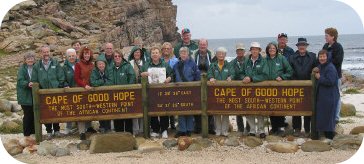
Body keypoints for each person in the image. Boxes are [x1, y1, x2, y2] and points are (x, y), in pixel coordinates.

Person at [32, 45, 65, 140]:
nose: (46, 54)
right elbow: (34, 79)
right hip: (43, 93)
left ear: (50, 52)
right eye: (44, 52)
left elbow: (61, 75)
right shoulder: (37, 66)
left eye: (47, 52)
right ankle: (49, 131)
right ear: (41, 53)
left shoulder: (55, 63)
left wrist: (59, 86)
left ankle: (57, 130)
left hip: (55, 91)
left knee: (56, 110)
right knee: (46, 112)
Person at [141, 47, 173, 138]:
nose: (155, 54)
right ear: (150, 55)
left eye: (156, 52)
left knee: (163, 110)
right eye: (153, 53)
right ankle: (155, 130)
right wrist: (143, 75)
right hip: (150, 92)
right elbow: (140, 76)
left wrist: (169, 78)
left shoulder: (165, 64)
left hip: (163, 91)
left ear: (159, 54)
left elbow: (172, 74)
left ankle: (164, 130)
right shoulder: (146, 65)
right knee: (152, 110)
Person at [289, 38, 317, 137]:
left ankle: (307, 130)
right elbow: (290, 71)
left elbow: (316, 68)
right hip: (295, 86)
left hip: (309, 87)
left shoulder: (313, 56)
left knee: (307, 108)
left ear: (306, 46)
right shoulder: (292, 57)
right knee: (296, 108)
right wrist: (296, 82)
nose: (302, 47)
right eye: (300, 45)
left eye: (303, 45)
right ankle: (296, 129)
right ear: (297, 46)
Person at [265, 42, 293, 136]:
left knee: (279, 106)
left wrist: (282, 77)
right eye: (270, 48)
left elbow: (289, 71)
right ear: (267, 50)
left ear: (276, 49)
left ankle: (281, 126)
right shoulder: (265, 60)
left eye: (273, 48)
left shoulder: (281, 58)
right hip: (269, 88)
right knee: (271, 107)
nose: (272, 50)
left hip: (280, 88)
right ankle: (274, 127)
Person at [242, 42, 269, 138]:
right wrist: (244, 78)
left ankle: (261, 130)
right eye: (253, 49)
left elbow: (265, 75)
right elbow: (242, 72)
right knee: (249, 109)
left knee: (260, 109)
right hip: (248, 90)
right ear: (250, 50)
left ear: (259, 50)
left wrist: (252, 79)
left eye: (256, 49)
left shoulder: (263, 61)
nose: (254, 51)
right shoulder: (246, 61)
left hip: (259, 89)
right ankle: (252, 130)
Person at [173, 47, 201, 138]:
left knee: (189, 110)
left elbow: (198, 77)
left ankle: (189, 130)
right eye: (182, 53)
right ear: (179, 54)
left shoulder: (193, 64)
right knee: (180, 110)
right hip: (179, 91)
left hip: (190, 90)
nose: (183, 54)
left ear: (188, 54)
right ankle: (182, 130)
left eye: (185, 53)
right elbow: (173, 76)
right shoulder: (176, 65)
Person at [314, 50, 339, 143]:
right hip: (324, 96)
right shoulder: (322, 66)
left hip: (330, 96)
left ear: (327, 57)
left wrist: (319, 77)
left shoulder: (330, 67)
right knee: (324, 115)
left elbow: (330, 81)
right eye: (320, 57)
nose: (322, 58)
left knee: (329, 116)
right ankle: (325, 136)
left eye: (324, 56)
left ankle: (330, 137)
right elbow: (319, 70)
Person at [191, 38, 216, 135]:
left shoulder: (211, 54)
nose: (202, 46)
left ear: (207, 45)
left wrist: (212, 77)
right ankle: (197, 127)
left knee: (210, 104)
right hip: (197, 82)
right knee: (197, 104)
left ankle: (210, 127)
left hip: (209, 81)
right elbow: (192, 67)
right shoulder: (194, 54)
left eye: (204, 44)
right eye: (201, 44)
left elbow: (214, 67)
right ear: (198, 45)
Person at [207, 47, 234, 136]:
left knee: (226, 111)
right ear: (216, 55)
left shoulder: (229, 65)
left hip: (226, 92)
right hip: (215, 92)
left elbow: (233, 73)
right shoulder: (213, 65)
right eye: (219, 53)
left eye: (223, 54)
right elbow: (209, 73)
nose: (221, 55)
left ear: (225, 55)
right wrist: (210, 77)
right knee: (217, 111)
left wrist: (231, 77)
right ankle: (218, 130)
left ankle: (225, 130)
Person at [322, 27, 344, 124]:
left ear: (332, 36)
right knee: (327, 96)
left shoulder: (338, 47)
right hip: (326, 76)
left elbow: (338, 61)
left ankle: (336, 118)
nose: (325, 37)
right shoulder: (325, 46)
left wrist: (326, 63)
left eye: (326, 36)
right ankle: (328, 116)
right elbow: (321, 57)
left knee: (336, 96)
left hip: (335, 76)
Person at [74, 46, 97, 140]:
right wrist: (84, 85)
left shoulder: (92, 65)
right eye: (85, 54)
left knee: (90, 108)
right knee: (81, 110)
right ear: (82, 55)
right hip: (82, 90)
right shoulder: (78, 65)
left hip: (91, 89)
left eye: (88, 53)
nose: (87, 55)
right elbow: (77, 78)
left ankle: (89, 127)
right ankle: (81, 131)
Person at [110, 50, 136, 133]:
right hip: (114, 96)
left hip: (126, 95)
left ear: (122, 57)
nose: (117, 57)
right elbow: (108, 79)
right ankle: (119, 134)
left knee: (127, 115)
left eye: (119, 56)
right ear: (113, 58)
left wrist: (127, 90)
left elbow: (132, 78)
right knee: (117, 116)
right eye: (115, 56)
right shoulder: (110, 67)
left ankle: (129, 134)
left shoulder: (127, 66)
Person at [229, 43, 250, 135]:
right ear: (236, 52)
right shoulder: (232, 62)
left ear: (244, 51)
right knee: (238, 108)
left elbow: (250, 72)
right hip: (237, 88)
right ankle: (240, 129)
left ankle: (249, 129)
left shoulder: (249, 61)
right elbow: (232, 72)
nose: (240, 52)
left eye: (242, 50)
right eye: (238, 50)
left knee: (249, 108)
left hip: (248, 87)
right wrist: (231, 77)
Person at [17, 52, 36, 138]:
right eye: (28, 58)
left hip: (35, 95)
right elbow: (20, 80)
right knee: (28, 115)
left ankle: (34, 133)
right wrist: (28, 83)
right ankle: (27, 135)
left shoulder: (36, 67)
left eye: (32, 58)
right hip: (25, 96)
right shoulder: (22, 69)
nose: (30, 60)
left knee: (35, 114)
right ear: (25, 60)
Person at [129, 46, 146, 135]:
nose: (137, 54)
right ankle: (135, 129)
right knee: (135, 109)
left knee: (143, 108)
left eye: (138, 52)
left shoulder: (145, 63)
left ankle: (143, 129)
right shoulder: (130, 63)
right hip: (134, 89)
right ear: (132, 53)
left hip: (143, 90)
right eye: (135, 52)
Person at [161, 42, 178, 130]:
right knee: (163, 105)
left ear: (171, 50)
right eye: (165, 48)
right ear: (162, 50)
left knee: (172, 105)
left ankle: (173, 124)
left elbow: (176, 73)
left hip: (172, 85)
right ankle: (164, 125)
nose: (166, 50)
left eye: (168, 48)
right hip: (161, 87)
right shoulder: (159, 60)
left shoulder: (175, 60)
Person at [63, 48, 78, 135]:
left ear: (76, 56)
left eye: (73, 56)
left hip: (80, 90)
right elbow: (62, 78)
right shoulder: (64, 67)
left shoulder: (80, 64)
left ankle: (84, 127)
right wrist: (65, 84)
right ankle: (68, 127)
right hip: (69, 91)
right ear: (67, 57)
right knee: (69, 109)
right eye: (69, 56)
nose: (71, 57)